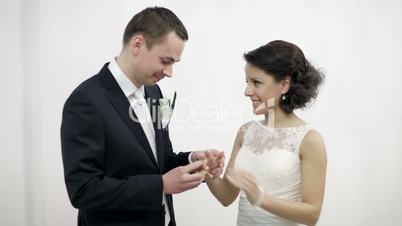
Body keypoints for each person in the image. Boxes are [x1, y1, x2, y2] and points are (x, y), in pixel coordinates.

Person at [61, 6, 224, 226]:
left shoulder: (154, 92)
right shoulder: (85, 101)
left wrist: (192, 160)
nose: (169, 72)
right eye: (165, 61)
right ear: (137, 44)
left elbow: (158, 160)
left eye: (174, 63)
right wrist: (161, 185)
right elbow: (83, 190)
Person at [206, 40, 326, 226]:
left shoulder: (310, 140)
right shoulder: (246, 132)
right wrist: (209, 172)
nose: (247, 91)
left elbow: (312, 215)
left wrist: (260, 198)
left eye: (256, 83)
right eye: (247, 82)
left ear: (284, 85)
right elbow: (227, 197)